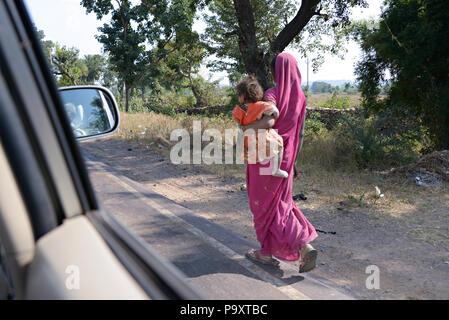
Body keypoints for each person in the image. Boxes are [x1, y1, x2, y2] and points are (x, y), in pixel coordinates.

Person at [241, 52, 318, 273]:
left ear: (276, 72)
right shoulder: (301, 99)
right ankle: (302, 245)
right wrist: (293, 161)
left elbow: (269, 120)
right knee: (281, 206)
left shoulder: (273, 93)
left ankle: (269, 251)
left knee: (263, 205)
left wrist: (247, 128)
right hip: (286, 160)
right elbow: (300, 134)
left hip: (266, 156)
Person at [232, 75, 289, 178]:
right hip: (263, 139)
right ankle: (276, 169)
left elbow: (238, 123)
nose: (238, 97)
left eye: (239, 94)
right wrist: (275, 114)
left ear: (243, 96)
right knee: (279, 145)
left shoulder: (237, 110)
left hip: (249, 141)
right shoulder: (261, 105)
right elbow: (274, 111)